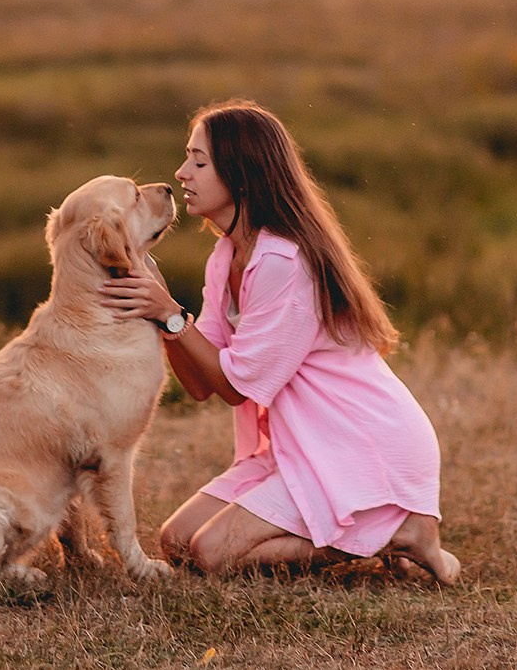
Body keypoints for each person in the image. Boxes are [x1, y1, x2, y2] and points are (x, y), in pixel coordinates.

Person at [101, 100, 459, 584]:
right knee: (176, 541)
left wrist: (167, 312)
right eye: (188, 158)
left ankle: (398, 533)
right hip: (303, 444)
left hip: (356, 444)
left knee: (212, 554)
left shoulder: (281, 262)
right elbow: (202, 384)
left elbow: (234, 387)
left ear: (242, 175)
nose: (183, 173)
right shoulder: (225, 253)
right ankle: (376, 531)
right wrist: (159, 314)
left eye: (200, 162)